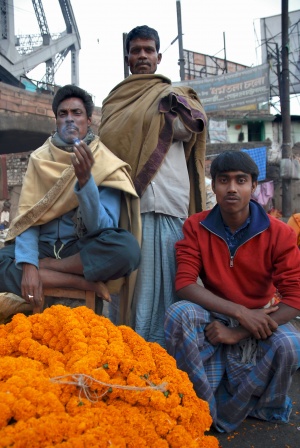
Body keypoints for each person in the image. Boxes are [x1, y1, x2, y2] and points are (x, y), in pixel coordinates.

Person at [164, 150, 300, 433]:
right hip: (216, 312)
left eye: (241, 180)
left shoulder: (280, 233)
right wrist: (239, 313)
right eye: (224, 180)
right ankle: (198, 404)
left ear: (254, 186)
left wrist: (241, 329)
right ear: (213, 186)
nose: (232, 188)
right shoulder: (196, 225)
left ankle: (265, 408)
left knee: (291, 345)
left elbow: (296, 298)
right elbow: (185, 283)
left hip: (261, 319)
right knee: (179, 314)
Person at [98, 25, 207, 346]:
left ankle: (173, 359)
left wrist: (165, 114)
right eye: (136, 50)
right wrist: (161, 119)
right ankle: (132, 354)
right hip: (130, 211)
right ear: (128, 57)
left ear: (159, 57)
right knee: (132, 292)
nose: (143, 56)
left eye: (149, 50)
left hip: (173, 209)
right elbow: (110, 142)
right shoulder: (115, 103)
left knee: (175, 287)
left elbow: (190, 127)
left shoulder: (176, 95)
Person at [0, 85, 141, 312]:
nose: (69, 120)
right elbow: (28, 218)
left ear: (88, 120)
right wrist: (28, 265)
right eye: (63, 114)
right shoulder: (39, 159)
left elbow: (103, 228)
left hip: (79, 249)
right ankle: (83, 282)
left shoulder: (105, 161)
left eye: (77, 113)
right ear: (56, 121)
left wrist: (86, 183)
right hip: (42, 248)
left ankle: (48, 269)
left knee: (127, 250)